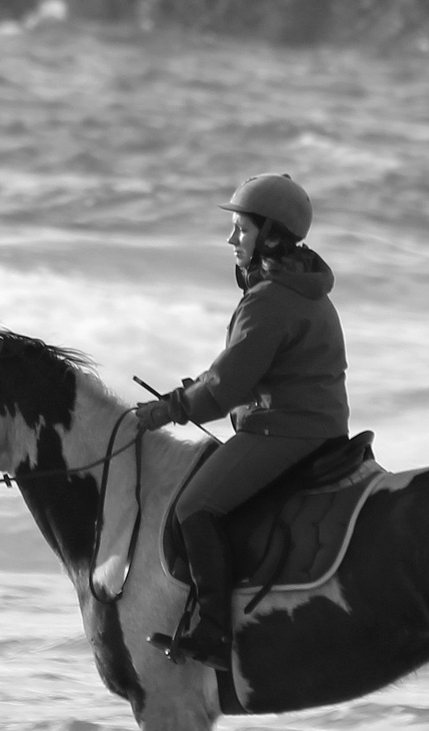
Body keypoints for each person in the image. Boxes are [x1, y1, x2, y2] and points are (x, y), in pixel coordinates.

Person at [132, 174, 350, 670]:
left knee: (193, 510)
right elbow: (240, 374)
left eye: (240, 230)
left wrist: (168, 409)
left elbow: (226, 386)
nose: (231, 240)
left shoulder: (271, 298)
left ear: (269, 235)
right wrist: (195, 391)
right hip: (317, 427)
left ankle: (213, 634)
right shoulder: (304, 289)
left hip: (284, 430)